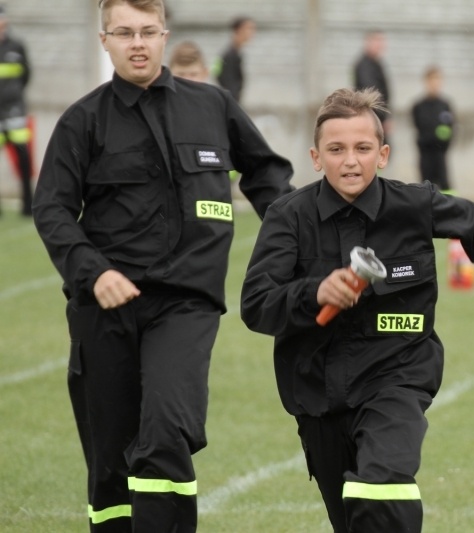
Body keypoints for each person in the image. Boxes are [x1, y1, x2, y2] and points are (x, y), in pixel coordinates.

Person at [240, 88, 474, 533]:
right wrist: (314, 292)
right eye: (337, 150)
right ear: (316, 158)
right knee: (354, 517)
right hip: (317, 395)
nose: (351, 160)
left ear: (384, 154)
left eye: (363, 148)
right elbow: (256, 305)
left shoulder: (414, 205)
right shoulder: (288, 216)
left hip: (397, 377)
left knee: (383, 485)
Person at [31, 1, 293, 531]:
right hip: (104, 309)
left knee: (167, 430)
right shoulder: (82, 120)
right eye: (124, 32)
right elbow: (52, 207)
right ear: (103, 40)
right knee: (110, 464)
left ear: (165, 35)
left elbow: (268, 178)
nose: (137, 43)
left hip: (185, 304)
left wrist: (303, 243)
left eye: (148, 31)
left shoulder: (213, 106)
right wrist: (93, 271)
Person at [0, 5, 33, 216]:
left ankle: (27, 206)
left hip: (15, 111)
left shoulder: (17, 46)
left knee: (23, 158)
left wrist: (14, 97)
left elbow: (27, 75)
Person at [411, 65, 455, 192]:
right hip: (425, 153)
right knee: (426, 187)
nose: (435, 84)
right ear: (426, 82)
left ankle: (450, 210)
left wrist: (443, 145)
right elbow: (418, 126)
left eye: (438, 80)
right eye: (432, 80)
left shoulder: (445, 105)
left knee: (445, 185)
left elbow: (450, 129)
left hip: (440, 153)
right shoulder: (418, 106)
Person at [353, 30, 391, 143]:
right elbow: (371, 95)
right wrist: (382, 119)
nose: (380, 45)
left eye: (381, 41)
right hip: (372, 118)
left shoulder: (376, 63)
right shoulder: (365, 66)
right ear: (367, 42)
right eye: (376, 41)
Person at [213, 15, 255, 103]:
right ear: (238, 30)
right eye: (249, 28)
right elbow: (221, 77)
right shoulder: (229, 55)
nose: (252, 32)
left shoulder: (236, 53)